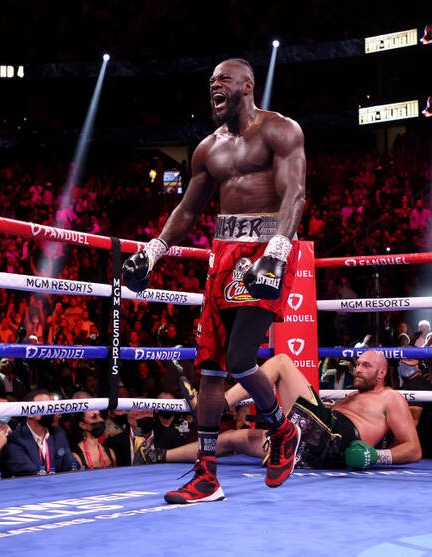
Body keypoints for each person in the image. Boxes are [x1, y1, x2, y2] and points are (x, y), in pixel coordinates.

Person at [122, 58, 306, 503]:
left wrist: (277, 251)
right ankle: (206, 476)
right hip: (223, 254)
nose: (214, 86)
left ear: (248, 85)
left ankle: (282, 430)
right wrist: (153, 251)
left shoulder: (280, 129)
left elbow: (295, 194)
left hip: (268, 247)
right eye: (210, 82)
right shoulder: (208, 148)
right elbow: (187, 209)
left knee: (241, 358)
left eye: (223, 79)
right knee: (209, 368)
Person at [161, 351, 421, 470]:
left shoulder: (390, 397)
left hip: (332, 438)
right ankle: (158, 455)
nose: (358, 369)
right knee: (231, 439)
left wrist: (376, 456)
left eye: (366, 366)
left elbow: (413, 448)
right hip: (312, 446)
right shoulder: (353, 396)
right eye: (358, 364)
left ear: (382, 373)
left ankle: (214, 407)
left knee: (282, 363)